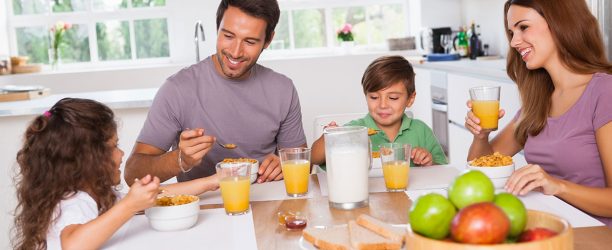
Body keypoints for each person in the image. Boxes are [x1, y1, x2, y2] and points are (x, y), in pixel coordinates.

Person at [124, 0, 307, 186]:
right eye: (228, 36)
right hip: (203, 207)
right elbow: (132, 175)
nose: (235, 52)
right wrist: (180, 159)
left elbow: (300, 161)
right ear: (217, 28)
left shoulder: (283, 90)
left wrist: (285, 165)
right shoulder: (177, 89)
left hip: (266, 204)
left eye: (250, 41)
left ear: (268, 40)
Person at [465, 0, 612, 227]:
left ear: (559, 23)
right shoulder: (538, 101)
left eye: (523, 27)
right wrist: (481, 136)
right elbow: (479, 168)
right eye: (511, 32)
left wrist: (556, 185)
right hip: (544, 227)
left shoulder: (604, 92)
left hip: (592, 236)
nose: (514, 42)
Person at [12, 98, 220, 250]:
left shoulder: (98, 194)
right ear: (86, 160)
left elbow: (159, 193)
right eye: (113, 147)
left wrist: (211, 181)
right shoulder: (73, 201)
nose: (121, 154)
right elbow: (74, 245)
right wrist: (129, 206)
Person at [311, 56, 448, 167]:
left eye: (393, 98)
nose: (382, 105)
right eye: (374, 97)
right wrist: (328, 138)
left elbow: (442, 169)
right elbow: (314, 159)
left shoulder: (421, 131)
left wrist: (429, 162)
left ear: (410, 99)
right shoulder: (354, 132)